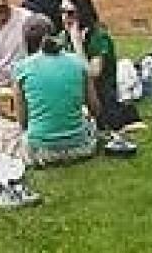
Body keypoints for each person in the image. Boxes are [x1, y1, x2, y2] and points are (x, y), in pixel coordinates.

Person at [11, 13, 98, 163]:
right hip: (81, 148)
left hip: (38, 152)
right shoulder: (78, 62)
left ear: (26, 42)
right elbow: (95, 109)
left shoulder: (21, 68)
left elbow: (23, 122)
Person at [60, 0, 143, 133]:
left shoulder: (98, 37)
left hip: (101, 97)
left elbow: (93, 74)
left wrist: (77, 44)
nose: (65, 17)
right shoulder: (64, 36)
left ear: (82, 13)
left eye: (70, 13)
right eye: (62, 11)